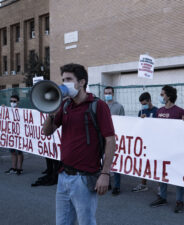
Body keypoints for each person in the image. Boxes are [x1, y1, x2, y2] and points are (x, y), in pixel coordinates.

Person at [42, 63, 116, 225]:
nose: (64, 83)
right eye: (63, 79)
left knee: (86, 222)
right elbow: (47, 132)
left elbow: (110, 140)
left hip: (84, 178)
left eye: (68, 79)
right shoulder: (65, 105)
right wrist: (51, 114)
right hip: (63, 176)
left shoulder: (98, 106)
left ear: (82, 82)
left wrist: (105, 174)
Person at [150, 85, 184, 213]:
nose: (161, 97)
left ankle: (179, 201)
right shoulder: (159, 111)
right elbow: (154, 128)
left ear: (169, 96)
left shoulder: (179, 111)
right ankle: (163, 197)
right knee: (162, 173)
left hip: (176, 149)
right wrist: (144, 122)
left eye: (162, 95)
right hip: (162, 148)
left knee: (178, 174)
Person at [132, 92, 158, 192]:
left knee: (156, 163)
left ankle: (160, 186)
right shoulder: (141, 111)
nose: (143, 106)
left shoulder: (157, 111)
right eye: (142, 104)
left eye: (144, 103)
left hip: (154, 141)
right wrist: (140, 120)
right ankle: (143, 184)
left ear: (149, 100)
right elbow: (138, 126)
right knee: (143, 163)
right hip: (144, 141)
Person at [104, 86, 125, 196]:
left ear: (113, 93)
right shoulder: (101, 106)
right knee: (104, 160)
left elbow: (123, 122)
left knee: (116, 161)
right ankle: (107, 182)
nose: (108, 94)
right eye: (106, 93)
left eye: (109, 93)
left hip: (115, 137)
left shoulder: (119, 107)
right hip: (103, 137)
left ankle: (117, 186)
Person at [4, 95, 24, 175]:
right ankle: (13, 168)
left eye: (14, 101)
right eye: (11, 101)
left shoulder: (21, 111)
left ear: (18, 102)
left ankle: (19, 169)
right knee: (12, 152)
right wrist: (2, 109)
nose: (12, 103)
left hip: (19, 134)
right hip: (11, 135)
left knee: (19, 152)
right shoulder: (7, 111)